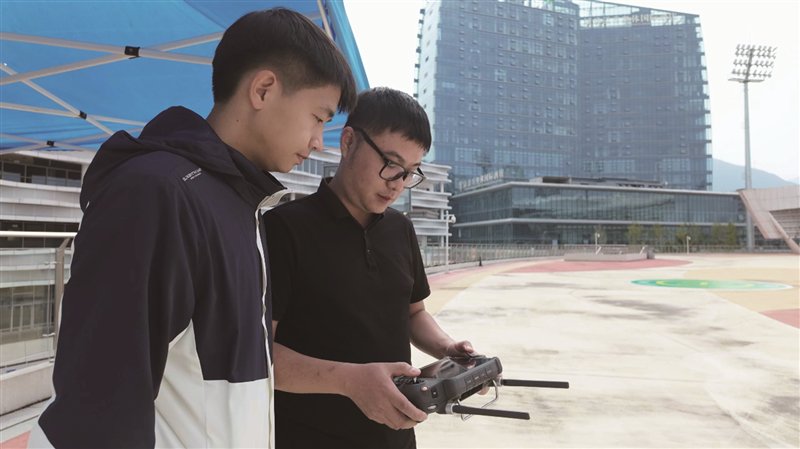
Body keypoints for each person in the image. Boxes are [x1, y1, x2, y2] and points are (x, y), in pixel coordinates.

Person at [27, 8, 356, 449]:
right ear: (263, 89)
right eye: (318, 117)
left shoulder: (241, 204)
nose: (318, 142)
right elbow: (95, 411)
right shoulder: (156, 193)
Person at [264, 87, 478, 449]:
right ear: (348, 142)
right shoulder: (283, 229)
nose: (397, 185)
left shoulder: (401, 229)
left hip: (397, 436)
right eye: (390, 164)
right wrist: (350, 381)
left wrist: (448, 349)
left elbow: (413, 313)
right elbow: (256, 353)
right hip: (306, 437)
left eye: (409, 173)